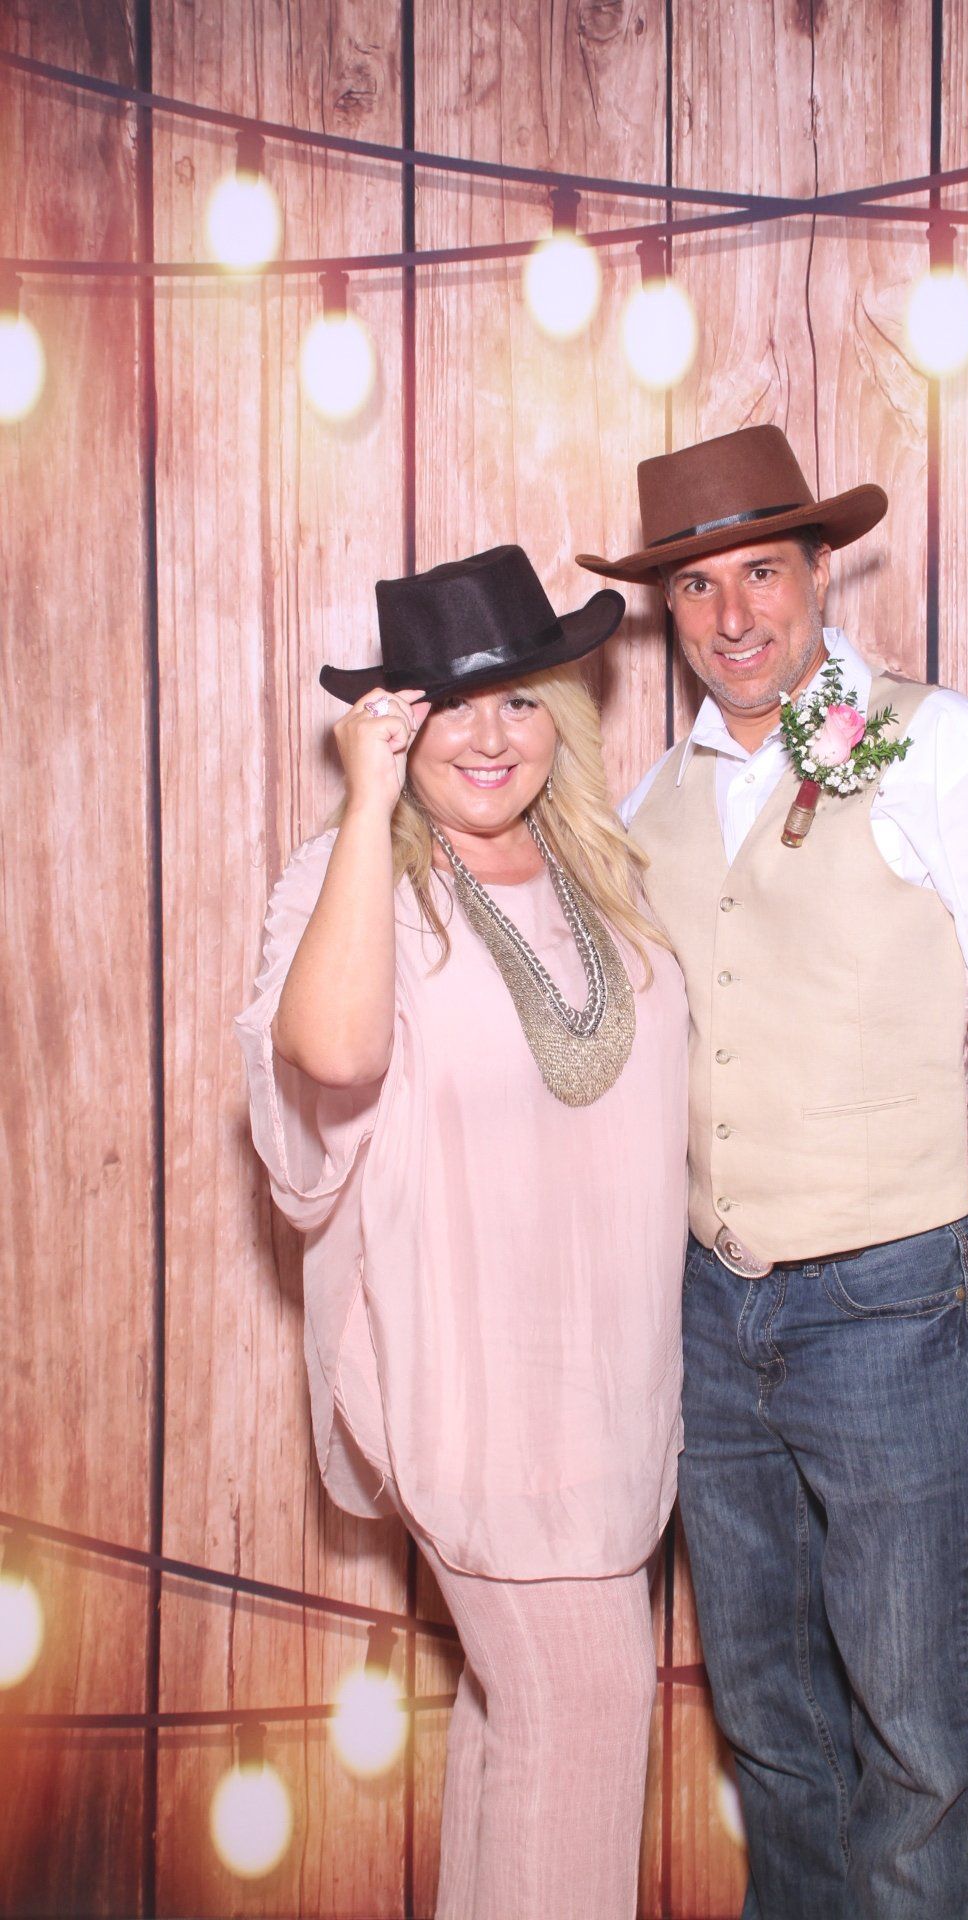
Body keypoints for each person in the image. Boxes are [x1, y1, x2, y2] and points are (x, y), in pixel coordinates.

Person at [579, 424, 968, 1920]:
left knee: (918, 1739)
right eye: (697, 589)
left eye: (762, 572)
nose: (733, 616)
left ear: (822, 572)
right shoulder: (647, 804)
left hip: (896, 1297)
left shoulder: (941, 748)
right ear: (669, 611)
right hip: (711, 1315)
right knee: (773, 1732)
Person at [234, 545, 689, 1920]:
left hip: (619, 1389)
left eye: (522, 700)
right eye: (448, 707)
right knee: (585, 1719)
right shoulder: (355, 878)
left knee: (521, 1733)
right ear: (395, 724)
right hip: (477, 1392)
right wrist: (368, 806)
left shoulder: (609, 869)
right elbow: (332, 1052)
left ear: (565, 715)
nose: (490, 738)